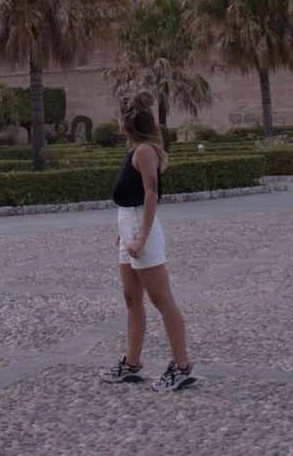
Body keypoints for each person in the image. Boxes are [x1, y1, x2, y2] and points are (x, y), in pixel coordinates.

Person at [100, 92, 195, 392]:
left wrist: (140, 237)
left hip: (143, 228)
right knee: (131, 298)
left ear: (128, 124)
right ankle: (132, 364)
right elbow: (132, 197)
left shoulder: (144, 151)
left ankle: (182, 367)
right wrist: (124, 231)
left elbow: (151, 195)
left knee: (162, 300)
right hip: (129, 224)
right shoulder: (135, 150)